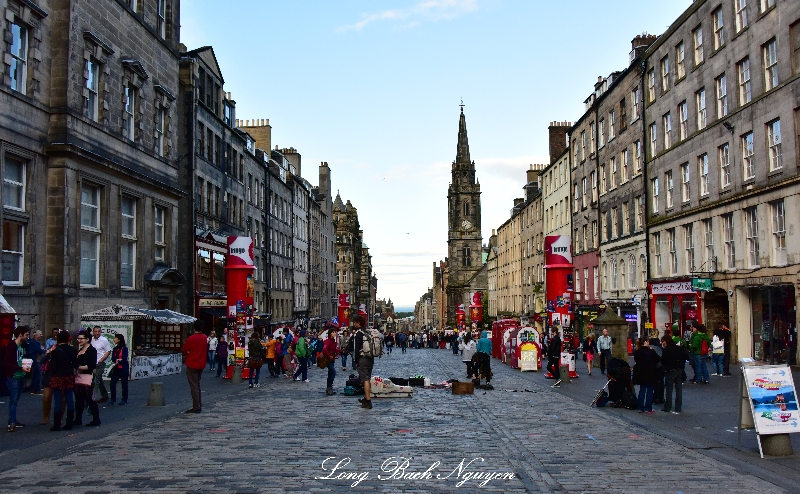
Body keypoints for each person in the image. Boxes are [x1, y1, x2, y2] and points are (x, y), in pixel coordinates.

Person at [3, 326, 31, 432]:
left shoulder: (23, 346)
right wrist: (20, 367)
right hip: (13, 376)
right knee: (13, 400)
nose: (28, 337)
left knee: (16, 399)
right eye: (26, 335)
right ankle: (11, 422)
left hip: (21, 375)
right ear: (20, 334)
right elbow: (6, 362)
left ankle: (13, 419)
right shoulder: (11, 346)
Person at [49, 330, 78, 431]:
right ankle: (69, 423)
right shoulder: (73, 350)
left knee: (58, 400)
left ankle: (57, 424)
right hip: (68, 375)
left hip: (57, 376)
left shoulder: (55, 351)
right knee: (69, 398)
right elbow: (75, 364)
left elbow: (53, 366)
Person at [347, 315, 375, 409]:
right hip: (370, 358)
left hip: (362, 358)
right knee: (367, 378)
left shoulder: (358, 333)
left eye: (355, 322)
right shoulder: (367, 332)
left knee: (365, 379)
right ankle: (365, 397)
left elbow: (356, 349)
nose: (353, 324)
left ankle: (368, 400)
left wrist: (355, 361)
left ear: (358, 323)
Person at [74, 330, 100, 427]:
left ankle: (96, 419)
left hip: (87, 376)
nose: (79, 340)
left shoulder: (91, 350)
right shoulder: (80, 349)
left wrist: (79, 367)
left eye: (81, 339)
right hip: (79, 377)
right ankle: (78, 419)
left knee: (89, 399)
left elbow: (91, 365)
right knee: (78, 399)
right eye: (78, 338)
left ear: (87, 339)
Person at [182, 322, 208, 413]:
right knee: (197, 384)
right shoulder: (205, 337)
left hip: (192, 363)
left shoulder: (191, 338)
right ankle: (199, 403)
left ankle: (196, 406)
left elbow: (184, 350)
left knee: (194, 386)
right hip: (201, 363)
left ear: (194, 329)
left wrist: (189, 352)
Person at [633, 337, 661, 414]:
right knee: (649, 391)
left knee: (642, 390)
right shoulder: (651, 352)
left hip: (641, 373)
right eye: (648, 342)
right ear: (645, 342)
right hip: (650, 372)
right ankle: (648, 408)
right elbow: (658, 359)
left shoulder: (637, 352)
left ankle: (640, 407)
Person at [661, 335, 688, 414]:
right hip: (679, 369)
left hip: (670, 370)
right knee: (679, 389)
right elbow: (685, 357)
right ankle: (678, 407)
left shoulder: (666, 350)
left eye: (663, 342)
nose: (662, 343)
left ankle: (668, 406)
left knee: (669, 389)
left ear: (666, 341)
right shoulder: (679, 348)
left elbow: (663, 361)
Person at [90, 326, 112, 403]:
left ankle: (93, 397)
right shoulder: (91, 339)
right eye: (95, 331)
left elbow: (108, 351)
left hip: (101, 362)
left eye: (98, 331)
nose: (97, 333)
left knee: (96, 380)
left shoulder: (104, 340)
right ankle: (105, 395)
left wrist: (101, 360)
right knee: (97, 379)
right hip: (93, 362)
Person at [108, 333, 129, 405]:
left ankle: (124, 399)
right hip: (116, 369)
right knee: (112, 383)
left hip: (123, 369)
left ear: (119, 340)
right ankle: (113, 399)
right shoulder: (115, 348)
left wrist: (119, 361)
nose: (114, 339)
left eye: (115, 338)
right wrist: (116, 360)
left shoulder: (124, 348)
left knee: (124, 384)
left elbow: (124, 358)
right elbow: (113, 358)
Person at [25, 330, 45, 394]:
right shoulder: (34, 342)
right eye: (40, 334)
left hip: (35, 359)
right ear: (36, 336)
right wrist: (45, 350)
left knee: (35, 374)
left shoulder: (34, 342)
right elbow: (39, 350)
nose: (41, 335)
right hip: (35, 359)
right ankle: (36, 388)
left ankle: (34, 388)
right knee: (37, 374)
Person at [323, 328, 341, 395]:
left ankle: (329, 388)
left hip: (332, 359)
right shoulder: (328, 341)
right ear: (330, 333)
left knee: (330, 373)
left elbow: (335, 350)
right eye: (333, 332)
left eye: (335, 332)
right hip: (327, 359)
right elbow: (324, 349)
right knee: (333, 372)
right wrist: (329, 355)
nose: (334, 333)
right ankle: (329, 388)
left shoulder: (334, 341)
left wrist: (340, 351)